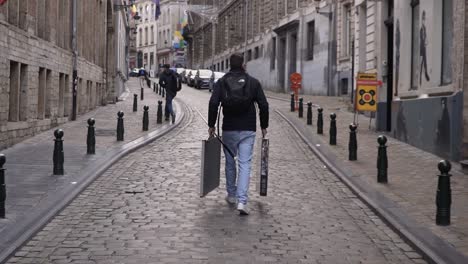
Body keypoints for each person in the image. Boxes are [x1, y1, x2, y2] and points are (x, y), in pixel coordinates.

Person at [208, 53, 269, 215]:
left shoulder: (221, 82)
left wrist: (211, 125)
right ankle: (242, 201)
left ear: (229, 64)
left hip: (229, 128)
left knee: (229, 162)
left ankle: (232, 195)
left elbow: (213, 103)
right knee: (245, 164)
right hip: (248, 128)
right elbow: (263, 104)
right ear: (243, 64)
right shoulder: (253, 83)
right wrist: (264, 125)